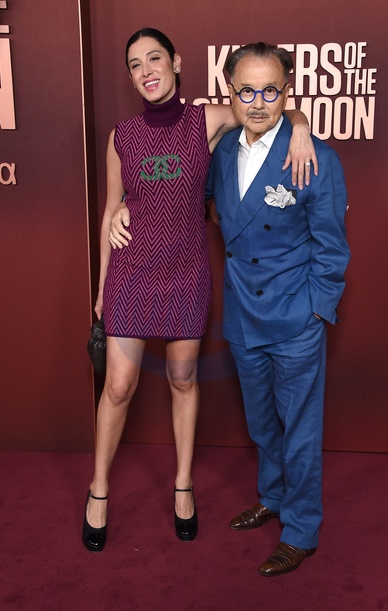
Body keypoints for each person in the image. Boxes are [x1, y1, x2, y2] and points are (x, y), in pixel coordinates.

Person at [83, 28, 317, 553]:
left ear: (176, 62)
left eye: (155, 59)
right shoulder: (121, 136)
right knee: (117, 386)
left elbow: (263, 111)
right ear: (131, 77)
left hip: (185, 273)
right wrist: (101, 287)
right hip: (131, 272)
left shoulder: (204, 120)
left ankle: (183, 486)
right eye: (135, 64)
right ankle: (98, 489)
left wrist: (300, 124)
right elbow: (111, 209)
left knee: (183, 379)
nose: (146, 70)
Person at [206, 42, 350, 576]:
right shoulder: (222, 152)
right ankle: (272, 495)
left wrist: (315, 311)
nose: (259, 102)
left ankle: (302, 529)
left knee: (300, 430)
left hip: (294, 319)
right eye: (247, 91)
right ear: (231, 93)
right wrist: (124, 205)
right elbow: (187, 199)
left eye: (270, 90)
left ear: (287, 92)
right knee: (262, 422)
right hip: (242, 314)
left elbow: (332, 247)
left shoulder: (315, 157)